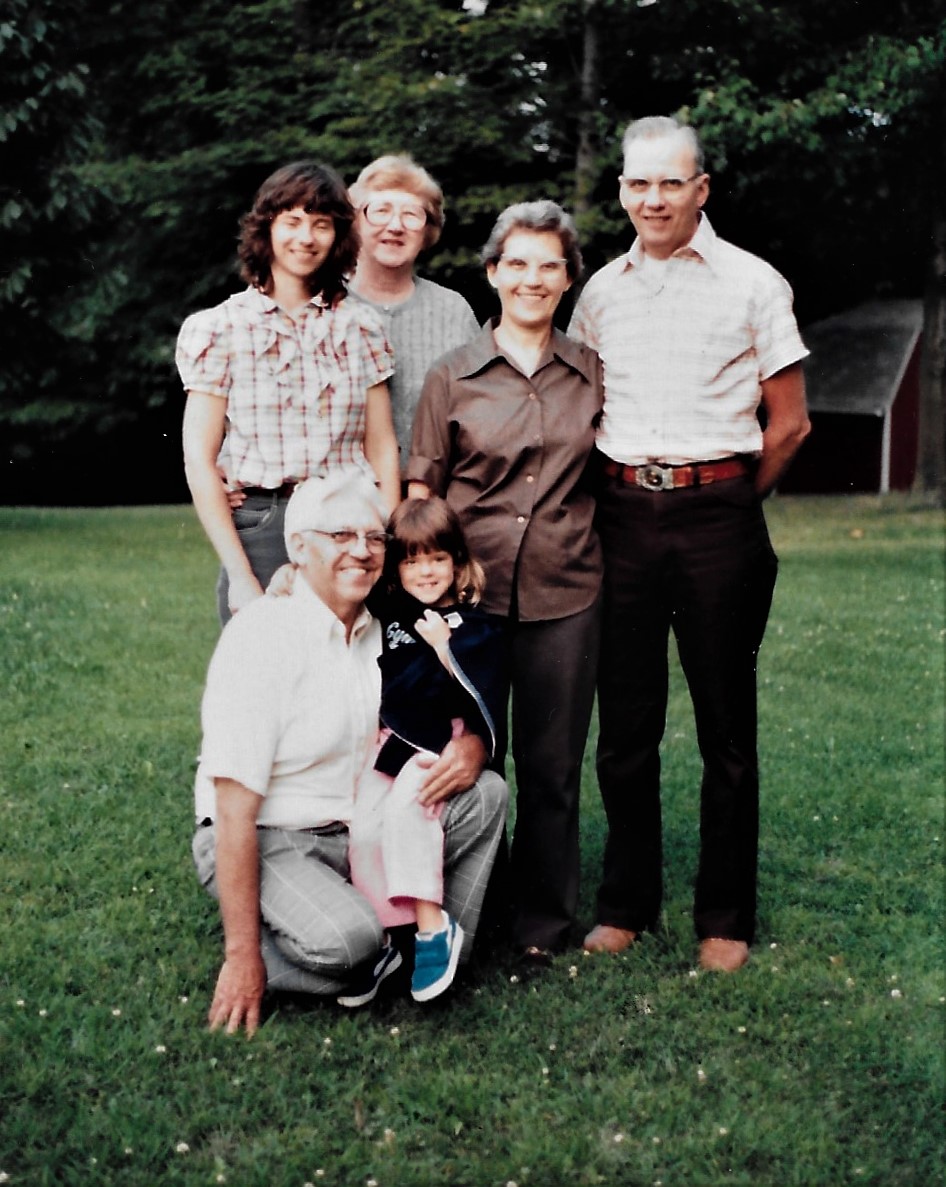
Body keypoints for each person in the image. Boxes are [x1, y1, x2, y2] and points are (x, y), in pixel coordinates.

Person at [568, 115, 811, 972]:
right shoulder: (598, 292)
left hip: (719, 518)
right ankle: (626, 903)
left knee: (725, 731)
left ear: (700, 190)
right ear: (624, 191)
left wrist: (730, 498)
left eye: (670, 182)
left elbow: (790, 424)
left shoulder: (754, 284)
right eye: (638, 183)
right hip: (622, 517)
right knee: (625, 726)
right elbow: (585, 409)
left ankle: (724, 917)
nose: (653, 198)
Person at [191, 469, 508, 1036]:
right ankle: (347, 949)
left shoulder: (380, 626)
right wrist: (243, 957)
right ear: (298, 547)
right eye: (339, 536)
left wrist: (474, 744)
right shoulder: (262, 637)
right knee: (348, 941)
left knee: (486, 794)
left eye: (372, 539)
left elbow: (444, 683)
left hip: (356, 828)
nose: (361, 552)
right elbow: (233, 809)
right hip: (269, 834)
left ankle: (423, 953)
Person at [407, 200, 604, 963]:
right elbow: (421, 496)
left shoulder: (591, 373)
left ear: (566, 280)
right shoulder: (450, 376)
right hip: (468, 603)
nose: (532, 278)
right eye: (516, 263)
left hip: (569, 591)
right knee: (467, 756)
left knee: (553, 766)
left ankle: (542, 925)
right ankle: (464, 912)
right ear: (492, 273)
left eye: (549, 265)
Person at [177, 161, 400, 624]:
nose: (307, 237)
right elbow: (199, 457)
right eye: (293, 221)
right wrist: (240, 575)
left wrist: (386, 541)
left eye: (321, 225)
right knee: (266, 683)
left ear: (338, 237)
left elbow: (381, 446)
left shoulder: (362, 327)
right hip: (262, 527)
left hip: (348, 524)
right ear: (268, 228)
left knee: (350, 680)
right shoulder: (220, 327)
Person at [342, 496, 506, 1005]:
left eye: (436, 559)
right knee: (365, 827)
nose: (425, 571)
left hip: (437, 743)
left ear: (456, 561)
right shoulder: (391, 611)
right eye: (412, 560)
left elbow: (480, 692)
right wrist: (285, 580)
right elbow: (342, 595)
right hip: (390, 742)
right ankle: (392, 939)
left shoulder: (472, 624)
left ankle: (434, 927)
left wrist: (443, 648)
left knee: (407, 813)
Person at [347, 155, 480, 475]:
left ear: (428, 230)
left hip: (431, 501)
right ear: (355, 221)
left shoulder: (453, 311)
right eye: (380, 211)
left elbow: (480, 411)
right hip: (341, 503)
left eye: (412, 214)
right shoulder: (324, 306)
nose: (395, 226)